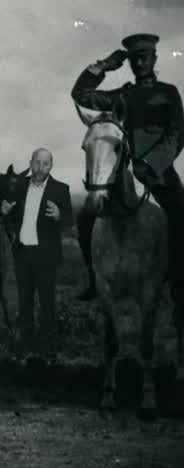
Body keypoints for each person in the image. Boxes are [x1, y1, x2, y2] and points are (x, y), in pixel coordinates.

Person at [71, 33, 183, 310]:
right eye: (134, 59)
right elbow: (81, 95)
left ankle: (179, 280)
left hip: (160, 174)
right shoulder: (123, 95)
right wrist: (104, 66)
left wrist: (152, 163)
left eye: (145, 57)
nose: (140, 63)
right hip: (121, 174)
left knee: (181, 215)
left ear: (154, 59)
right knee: (86, 217)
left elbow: (177, 134)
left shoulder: (168, 93)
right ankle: (94, 279)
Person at [0, 149, 72, 353]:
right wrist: (5, 212)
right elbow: (11, 216)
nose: (41, 168)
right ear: (30, 163)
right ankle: (25, 346)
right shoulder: (20, 186)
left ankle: (48, 348)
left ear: (51, 166)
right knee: (25, 303)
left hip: (46, 256)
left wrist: (59, 215)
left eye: (45, 164)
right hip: (23, 254)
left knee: (47, 304)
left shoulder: (60, 189)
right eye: (37, 163)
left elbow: (70, 218)